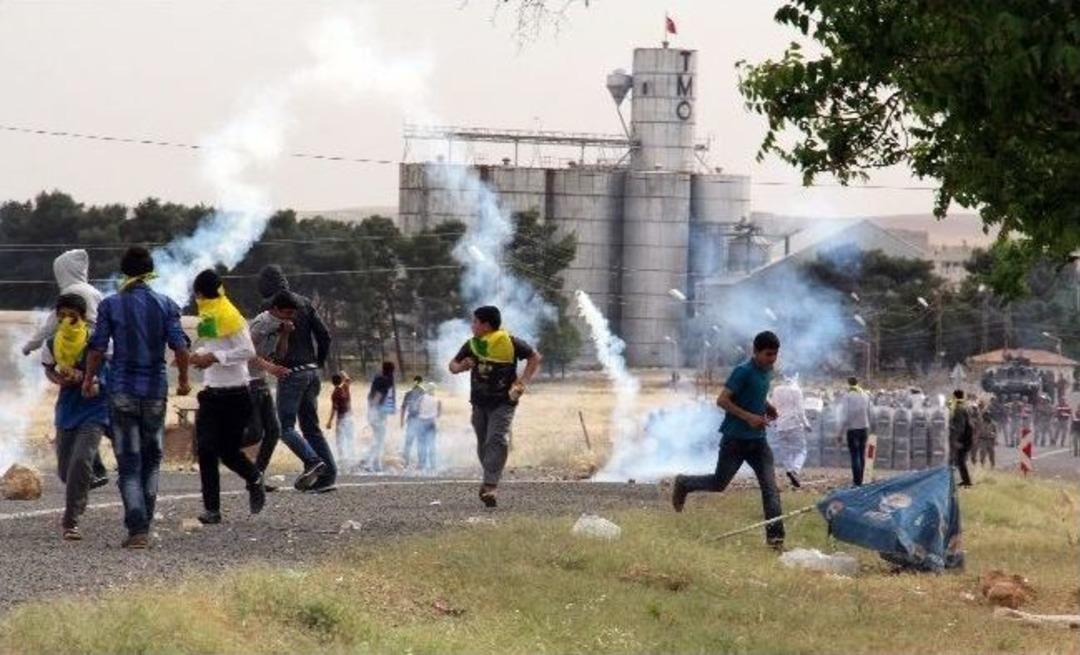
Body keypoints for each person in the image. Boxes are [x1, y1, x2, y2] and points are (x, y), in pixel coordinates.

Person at [83, 246, 190, 549]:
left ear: (124, 272)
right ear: (150, 271)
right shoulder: (166, 304)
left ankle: (137, 528)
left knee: (129, 462)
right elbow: (180, 347)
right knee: (152, 459)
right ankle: (145, 520)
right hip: (155, 391)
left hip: (121, 391)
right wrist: (182, 380)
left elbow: (97, 348)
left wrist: (89, 378)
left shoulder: (111, 305)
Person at [671, 331, 785, 549]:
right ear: (756, 352)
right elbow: (722, 400)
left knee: (770, 489)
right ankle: (684, 483)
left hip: (759, 442)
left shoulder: (768, 371)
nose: (772, 359)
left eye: (775, 355)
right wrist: (749, 417)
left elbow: (756, 395)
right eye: (768, 354)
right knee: (718, 483)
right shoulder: (742, 371)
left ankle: (776, 541)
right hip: (735, 440)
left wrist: (766, 406)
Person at [23, 249, 110, 489]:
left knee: (81, 411)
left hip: (75, 347)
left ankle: (92, 469)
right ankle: (98, 467)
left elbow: (51, 324)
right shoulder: (95, 291)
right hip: (99, 347)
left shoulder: (71, 293)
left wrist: (30, 345)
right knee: (92, 414)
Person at [190, 270, 266, 525]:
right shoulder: (209, 314)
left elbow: (247, 350)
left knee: (228, 452)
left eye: (197, 294)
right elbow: (212, 345)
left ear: (201, 294)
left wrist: (213, 358)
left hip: (236, 393)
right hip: (211, 393)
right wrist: (199, 355)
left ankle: (254, 478)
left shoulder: (230, 315)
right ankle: (212, 509)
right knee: (206, 450)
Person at [449, 305, 542, 508]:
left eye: (475, 322)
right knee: (483, 443)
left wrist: (522, 382)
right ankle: (489, 479)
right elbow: (452, 366)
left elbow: (535, 357)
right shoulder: (472, 345)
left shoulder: (510, 342)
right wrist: (462, 366)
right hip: (479, 402)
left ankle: (491, 486)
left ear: (485, 324)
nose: (472, 325)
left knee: (496, 439)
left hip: (504, 401)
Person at [258, 266, 335, 493]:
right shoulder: (305, 302)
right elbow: (325, 336)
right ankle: (327, 476)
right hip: (311, 371)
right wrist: (318, 363)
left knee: (285, 427)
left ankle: (313, 461)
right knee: (311, 428)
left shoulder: (270, 307)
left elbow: (264, 345)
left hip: (291, 372)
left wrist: (269, 365)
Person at [41, 293, 110, 540]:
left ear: (82, 317)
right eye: (61, 316)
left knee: (81, 460)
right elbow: (49, 370)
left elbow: (112, 368)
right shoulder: (52, 344)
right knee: (65, 470)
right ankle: (87, 479)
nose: (66, 321)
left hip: (95, 406)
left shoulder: (97, 340)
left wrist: (92, 381)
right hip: (68, 408)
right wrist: (61, 379)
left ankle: (71, 520)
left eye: (72, 316)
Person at [245, 306, 293, 490]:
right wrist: (271, 369)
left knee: (273, 431)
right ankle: (222, 447)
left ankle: (256, 479)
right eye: (287, 312)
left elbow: (280, 355)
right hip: (248, 382)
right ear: (276, 310)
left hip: (261, 382)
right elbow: (247, 354)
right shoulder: (261, 324)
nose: (290, 318)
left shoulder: (278, 326)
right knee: (255, 433)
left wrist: (285, 335)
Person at [768, 373, 810, 488]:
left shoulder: (776, 390)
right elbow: (801, 411)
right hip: (795, 425)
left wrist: (771, 422)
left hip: (781, 425)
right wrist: (806, 424)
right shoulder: (797, 390)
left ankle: (789, 469)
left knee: (785, 451)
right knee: (801, 449)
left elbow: (772, 407)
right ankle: (795, 470)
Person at [837, 377, 871, 486]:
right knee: (861, 454)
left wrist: (840, 432)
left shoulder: (847, 396)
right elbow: (869, 412)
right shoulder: (865, 395)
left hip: (853, 429)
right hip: (864, 428)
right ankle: (861, 479)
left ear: (848, 384)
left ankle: (856, 481)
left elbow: (845, 415)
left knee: (855, 455)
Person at [364, 362, 397, 472]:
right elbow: (378, 396)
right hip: (377, 413)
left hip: (376, 412)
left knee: (378, 439)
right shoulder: (386, 380)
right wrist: (373, 412)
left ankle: (373, 463)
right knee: (379, 440)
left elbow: (372, 395)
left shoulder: (378, 378)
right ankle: (371, 463)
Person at [327, 372, 356, 472]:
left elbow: (334, 408)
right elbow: (348, 379)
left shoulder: (335, 393)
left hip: (342, 419)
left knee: (339, 439)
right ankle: (352, 457)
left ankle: (342, 459)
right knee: (350, 438)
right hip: (350, 417)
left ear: (332, 382)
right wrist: (343, 373)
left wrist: (329, 421)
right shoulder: (345, 387)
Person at [948, 389, 974, 487]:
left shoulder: (959, 408)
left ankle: (967, 481)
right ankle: (965, 480)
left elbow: (960, 426)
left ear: (954, 397)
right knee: (960, 460)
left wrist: (956, 440)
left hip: (963, 439)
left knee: (960, 460)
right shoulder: (965, 406)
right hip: (967, 437)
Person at [415, 382, 441, 473]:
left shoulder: (421, 398)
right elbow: (438, 414)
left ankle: (421, 464)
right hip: (432, 423)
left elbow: (416, 409)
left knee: (421, 444)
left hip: (422, 421)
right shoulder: (437, 400)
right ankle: (433, 465)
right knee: (431, 444)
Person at [400, 375, 426, 468]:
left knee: (409, 441)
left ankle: (406, 462)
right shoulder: (423, 393)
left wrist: (401, 421)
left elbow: (403, 408)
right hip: (419, 420)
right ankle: (420, 463)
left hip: (412, 419)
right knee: (419, 442)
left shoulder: (409, 393)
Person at [973, 400, 998, 468]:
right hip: (983, 440)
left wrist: (995, 440)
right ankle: (982, 465)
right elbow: (978, 431)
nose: (987, 416)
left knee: (991, 454)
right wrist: (976, 439)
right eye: (985, 415)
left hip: (990, 440)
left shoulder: (993, 424)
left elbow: (996, 433)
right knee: (982, 453)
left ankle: (992, 465)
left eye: (988, 415)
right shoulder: (981, 423)